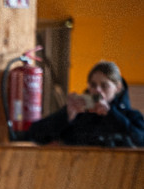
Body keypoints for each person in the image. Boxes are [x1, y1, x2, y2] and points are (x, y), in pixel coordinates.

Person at [16, 62, 144, 147]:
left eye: (104, 86)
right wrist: (66, 116)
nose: (97, 90)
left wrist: (111, 115)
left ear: (118, 87)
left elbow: (139, 140)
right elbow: (34, 135)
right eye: (93, 85)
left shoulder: (131, 116)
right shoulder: (78, 114)